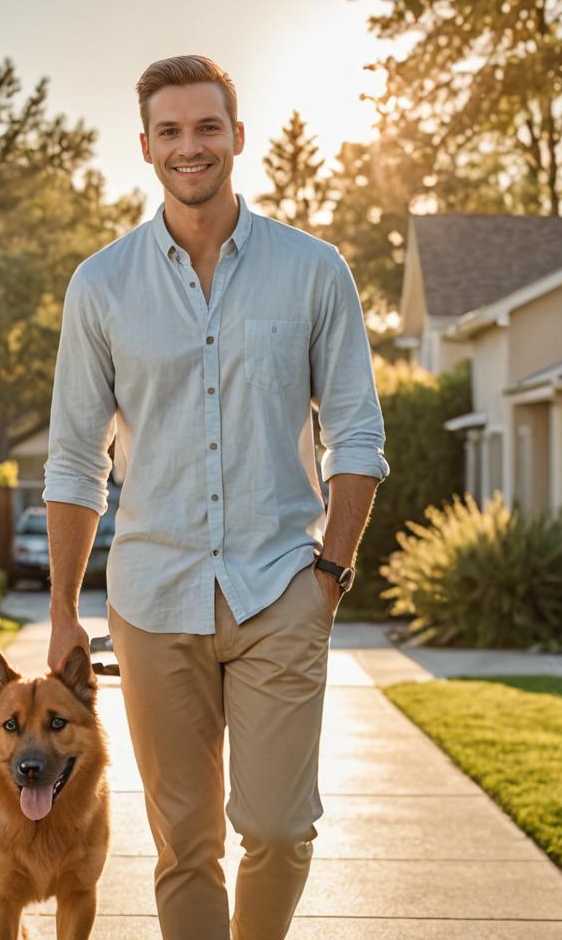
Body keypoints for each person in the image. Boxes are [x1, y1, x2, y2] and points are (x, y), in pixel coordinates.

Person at [42, 55, 390, 940]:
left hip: (281, 589)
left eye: (206, 128)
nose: (188, 146)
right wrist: (64, 612)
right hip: (154, 600)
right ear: (147, 146)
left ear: (237, 137)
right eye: (170, 131)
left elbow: (357, 437)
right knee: (184, 842)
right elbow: (77, 459)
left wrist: (330, 578)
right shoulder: (102, 285)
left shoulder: (314, 271)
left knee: (277, 826)